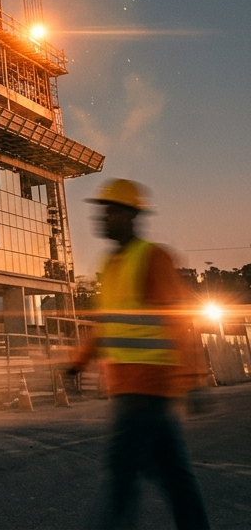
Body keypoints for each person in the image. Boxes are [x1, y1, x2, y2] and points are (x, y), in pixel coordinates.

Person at [68, 179, 211, 530]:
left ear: (131, 216)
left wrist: (194, 379)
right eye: (102, 211)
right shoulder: (111, 264)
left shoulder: (153, 257)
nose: (102, 218)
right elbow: (107, 324)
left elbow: (179, 321)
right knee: (175, 476)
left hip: (146, 388)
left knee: (122, 473)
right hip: (130, 388)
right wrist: (78, 362)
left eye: (110, 212)